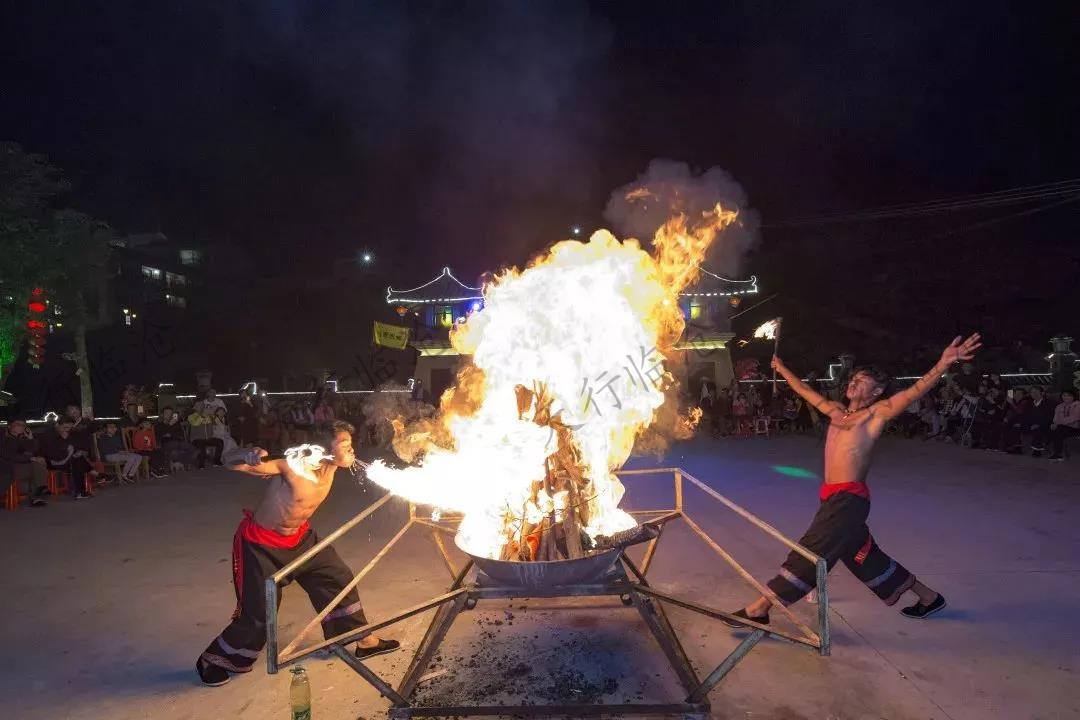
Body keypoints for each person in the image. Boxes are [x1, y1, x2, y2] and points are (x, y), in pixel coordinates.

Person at [722, 333, 981, 628]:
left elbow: (914, 392)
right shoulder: (835, 412)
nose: (853, 382)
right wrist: (782, 370)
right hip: (832, 499)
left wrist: (943, 363)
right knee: (865, 558)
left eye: (861, 380)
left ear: (877, 390)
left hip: (849, 500)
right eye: (853, 378)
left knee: (810, 550)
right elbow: (804, 390)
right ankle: (929, 598)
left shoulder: (876, 414)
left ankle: (759, 608)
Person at [196, 421, 399, 686]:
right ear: (324, 449)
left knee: (337, 577)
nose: (352, 450)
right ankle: (212, 659)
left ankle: (362, 639)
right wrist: (244, 454)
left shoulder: (333, 468)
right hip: (261, 546)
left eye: (351, 443)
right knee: (259, 613)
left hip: (301, 538)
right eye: (344, 444)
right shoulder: (292, 467)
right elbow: (231, 463)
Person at [40, 418, 93, 499]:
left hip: (69, 461)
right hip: (54, 462)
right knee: (77, 462)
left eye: (69, 428)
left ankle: (80, 492)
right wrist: (69, 451)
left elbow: (78, 447)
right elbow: (53, 455)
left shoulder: (70, 435)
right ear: (58, 425)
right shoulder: (50, 435)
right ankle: (95, 476)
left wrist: (79, 452)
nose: (67, 430)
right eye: (65, 427)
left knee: (78, 460)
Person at [0, 419, 49, 507]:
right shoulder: (3, 435)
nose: (21, 427)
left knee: (38, 463)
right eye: (18, 424)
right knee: (35, 466)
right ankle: (38, 493)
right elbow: (6, 454)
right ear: (10, 425)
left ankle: (40, 489)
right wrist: (31, 458)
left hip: (21, 465)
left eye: (23, 425)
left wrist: (30, 438)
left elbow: (34, 450)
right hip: (7, 466)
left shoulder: (22, 438)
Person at [188, 401, 225, 468]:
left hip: (207, 439)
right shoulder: (191, 416)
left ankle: (216, 461)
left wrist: (214, 413)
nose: (201, 407)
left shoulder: (208, 416)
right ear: (195, 408)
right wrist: (203, 415)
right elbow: (195, 423)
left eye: (202, 406)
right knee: (202, 446)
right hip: (196, 439)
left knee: (220, 442)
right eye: (199, 406)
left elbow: (216, 422)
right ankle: (201, 465)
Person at [1023, 386, 1055, 457]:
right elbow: (1025, 416)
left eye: (1036, 392)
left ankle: (1037, 449)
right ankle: (1015, 446)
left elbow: (1050, 417)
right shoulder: (1029, 403)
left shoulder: (1050, 403)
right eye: (1032, 392)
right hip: (1030, 425)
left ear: (1042, 393)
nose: (1034, 394)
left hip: (1045, 425)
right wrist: (1029, 424)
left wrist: (1039, 424)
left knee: (1038, 429)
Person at [1049, 390, 1080, 461]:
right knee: (1055, 429)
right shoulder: (1059, 406)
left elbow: (1075, 417)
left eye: (1068, 395)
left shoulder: (1077, 404)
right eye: (1064, 395)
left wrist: (1058, 423)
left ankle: (1057, 453)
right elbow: (1055, 418)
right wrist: (1054, 424)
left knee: (1058, 429)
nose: (1066, 397)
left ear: (1073, 396)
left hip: (1076, 427)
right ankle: (1057, 453)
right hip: (1063, 427)